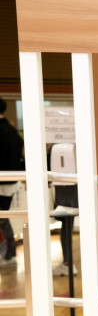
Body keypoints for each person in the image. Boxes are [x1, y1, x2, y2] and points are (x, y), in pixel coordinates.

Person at [0, 97, 24, 267]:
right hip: (12, 180)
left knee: (2, 217)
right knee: (3, 215)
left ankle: (9, 252)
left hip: (2, 180)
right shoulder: (13, 130)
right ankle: (9, 252)